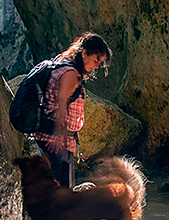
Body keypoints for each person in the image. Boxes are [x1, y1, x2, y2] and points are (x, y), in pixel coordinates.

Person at [34, 33, 111, 188]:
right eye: (96, 60)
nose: (96, 66)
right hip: (58, 141)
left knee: (55, 191)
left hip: (51, 137)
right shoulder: (70, 73)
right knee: (62, 194)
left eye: (100, 62)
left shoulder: (61, 62)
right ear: (84, 53)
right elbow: (61, 103)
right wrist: (57, 136)